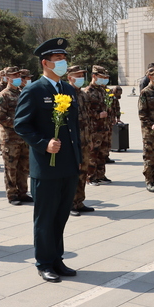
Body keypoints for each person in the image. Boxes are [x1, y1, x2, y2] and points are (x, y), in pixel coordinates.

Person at [14, 37, 81, 283]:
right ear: (45, 62)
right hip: (46, 166)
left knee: (61, 214)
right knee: (45, 216)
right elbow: (21, 125)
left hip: (68, 164)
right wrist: (44, 144)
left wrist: (78, 158)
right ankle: (44, 262)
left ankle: (56, 259)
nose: (63, 63)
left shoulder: (67, 89)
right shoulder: (33, 90)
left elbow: (74, 128)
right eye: (58, 59)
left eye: (64, 58)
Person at [0, 67, 31, 205]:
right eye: (14, 75)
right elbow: (0, 117)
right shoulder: (3, 95)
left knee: (24, 167)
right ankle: (12, 194)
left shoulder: (22, 93)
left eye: (18, 75)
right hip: (10, 139)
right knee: (11, 168)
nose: (17, 78)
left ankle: (23, 192)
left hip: (23, 138)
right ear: (7, 78)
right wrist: (18, 123)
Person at [67, 65, 95, 216]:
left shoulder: (83, 95)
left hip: (84, 140)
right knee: (73, 172)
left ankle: (79, 201)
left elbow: (87, 118)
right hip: (72, 141)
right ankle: (70, 203)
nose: (80, 78)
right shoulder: (65, 94)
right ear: (70, 77)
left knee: (83, 171)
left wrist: (89, 138)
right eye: (77, 75)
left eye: (82, 75)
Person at [82, 66, 113, 185]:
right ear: (94, 76)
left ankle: (101, 175)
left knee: (103, 152)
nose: (103, 79)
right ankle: (90, 177)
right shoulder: (88, 91)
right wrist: (97, 115)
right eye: (101, 77)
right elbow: (85, 110)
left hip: (105, 127)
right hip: (94, 128)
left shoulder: (103, 91)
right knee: (93, 153)